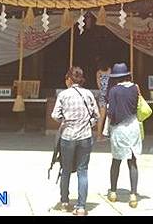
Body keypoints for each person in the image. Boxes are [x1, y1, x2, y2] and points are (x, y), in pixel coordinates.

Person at [51, 66, 100, 216]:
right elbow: (96, 115)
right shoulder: (89, 94)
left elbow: (55, 115)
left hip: (68, 136)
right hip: (85, 136)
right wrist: (88, 124)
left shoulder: (63, 95)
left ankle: (65, 201)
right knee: (82, 171)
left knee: (66, 169)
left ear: (69, 79)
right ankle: (81, 207)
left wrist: (64, 121)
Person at [106, 62, 142, 208]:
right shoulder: (135, 88)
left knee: (116, 161)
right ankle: (133, 195)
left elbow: (112, 112)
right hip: (133, 126)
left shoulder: (114, 91)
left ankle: (113, 192)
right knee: (132, 162)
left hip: (119, 128)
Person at [95, 58, 111, 140]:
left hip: (102, 95)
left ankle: (99, 135)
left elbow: (99, 85)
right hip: (110, 94)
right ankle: (109, 133)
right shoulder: (110, 71)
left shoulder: (99, 73)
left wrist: (102, 91)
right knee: (111, 115)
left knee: (102, 115)